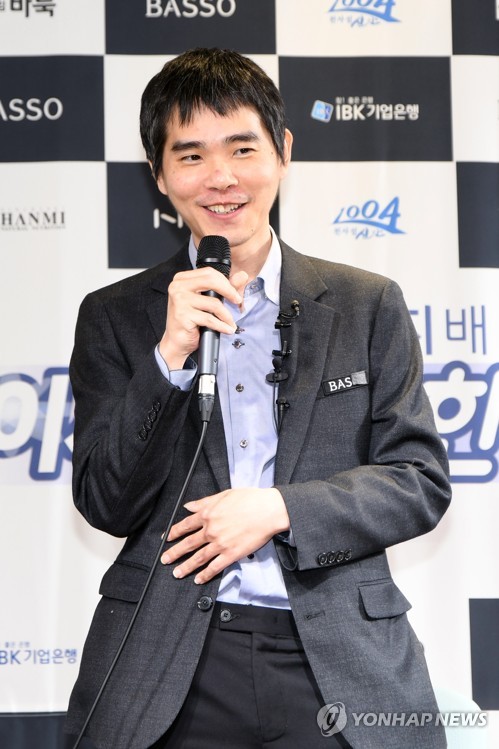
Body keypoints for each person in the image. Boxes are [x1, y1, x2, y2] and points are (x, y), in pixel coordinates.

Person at [65, 48, 451, 749]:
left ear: (283, 151)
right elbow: (105, 501)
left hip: (335, 654)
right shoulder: (114, 316)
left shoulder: (365, 304)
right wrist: (168, 356)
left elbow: (417, 481)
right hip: (169, 663)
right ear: (159, 174)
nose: (221, 177)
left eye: (242, 148)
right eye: (191, 155)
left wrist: (279, 509)